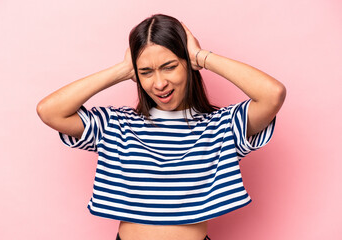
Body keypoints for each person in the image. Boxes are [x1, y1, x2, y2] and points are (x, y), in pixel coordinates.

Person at [37, 14, 286, 240]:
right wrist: (123, 70)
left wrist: (201, 57)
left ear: (187, 64)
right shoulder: (115, 125)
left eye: (170, 67)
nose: (159, 83)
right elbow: (49, 111)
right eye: (146, 71)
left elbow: (272, 94)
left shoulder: (221, 126)